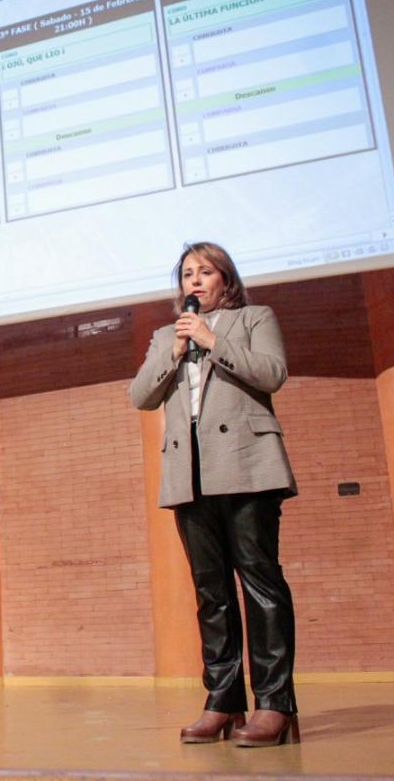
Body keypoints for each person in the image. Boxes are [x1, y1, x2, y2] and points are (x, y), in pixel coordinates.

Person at [128, 242, 300, 748]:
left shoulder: (253, 318)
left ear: (226, 279)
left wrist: (213, 339)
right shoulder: (167, 335)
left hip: (248, 468)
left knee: (261, 586)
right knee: (211, 595)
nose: (195, 281)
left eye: (205, 272)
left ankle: (274, 704)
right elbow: (140, 395)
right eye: (187, 274)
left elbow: (274, 374)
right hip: (191, 475)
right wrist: (178, 350)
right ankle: (222, 702)